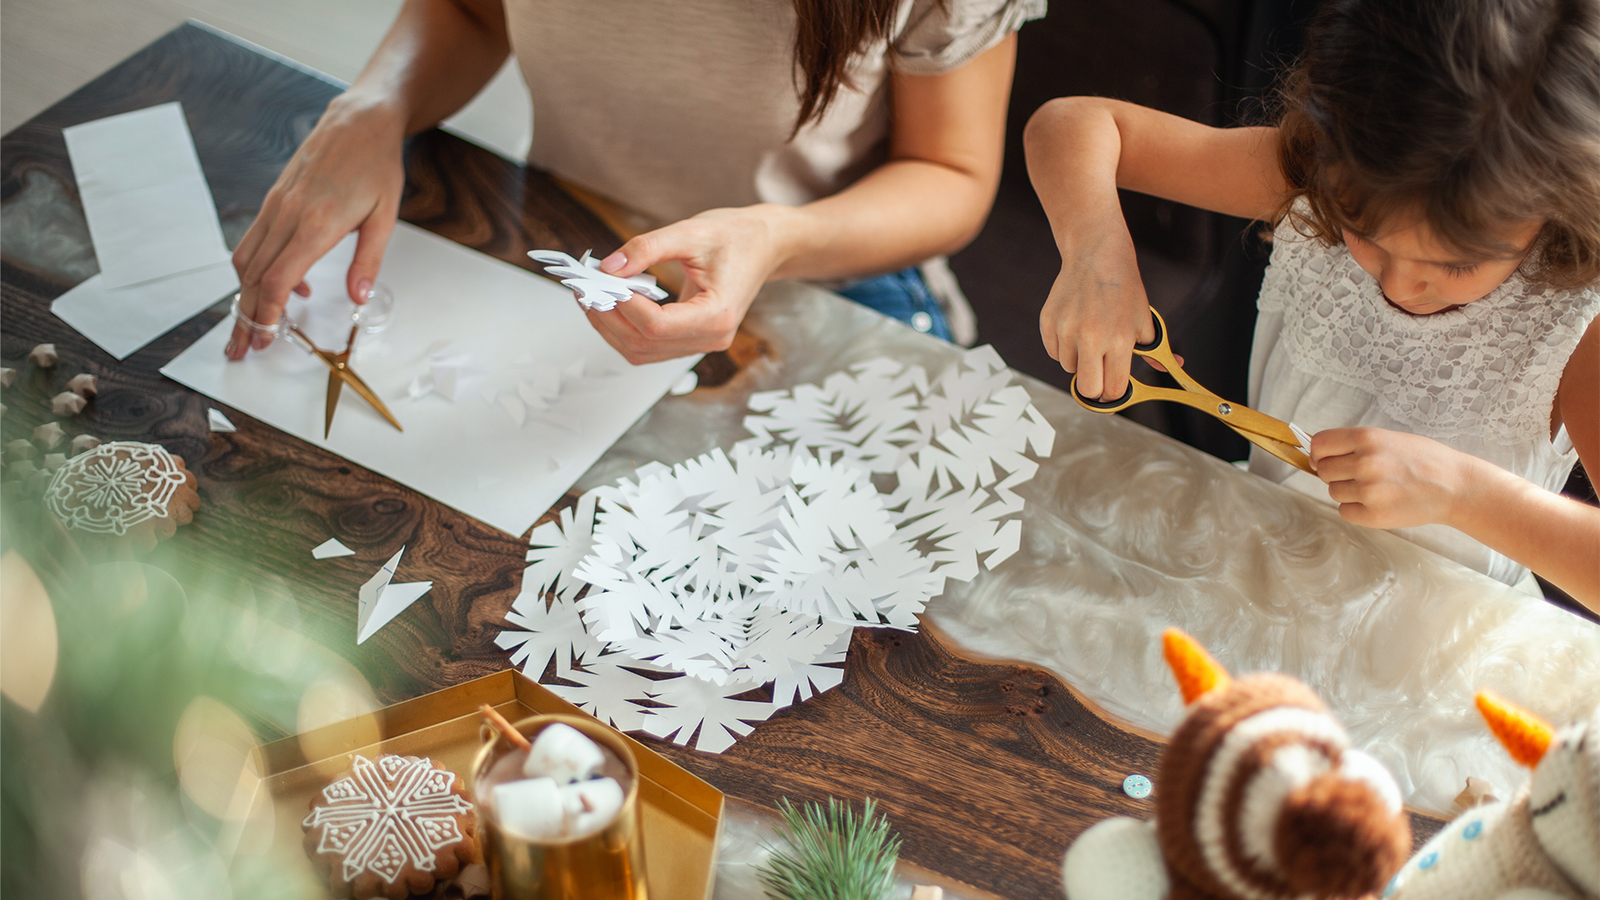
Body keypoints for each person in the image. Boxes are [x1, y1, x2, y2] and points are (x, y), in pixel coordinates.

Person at [1024, 0, 1600, 610]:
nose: (1400, 285)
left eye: (1454, 265)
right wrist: (1097, 253)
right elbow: (1072, 125)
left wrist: (1461, 492)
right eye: (1363, 233)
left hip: (1433, 651)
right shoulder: (1307, 181)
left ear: (1554, 210)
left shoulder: (1573, 330)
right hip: (1249, 576)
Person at [227, 0, 1044, 364]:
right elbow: (473, 12)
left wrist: (771, 237)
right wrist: (375, 106)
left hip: (831, 266)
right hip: (574, 223)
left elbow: (951, 172)